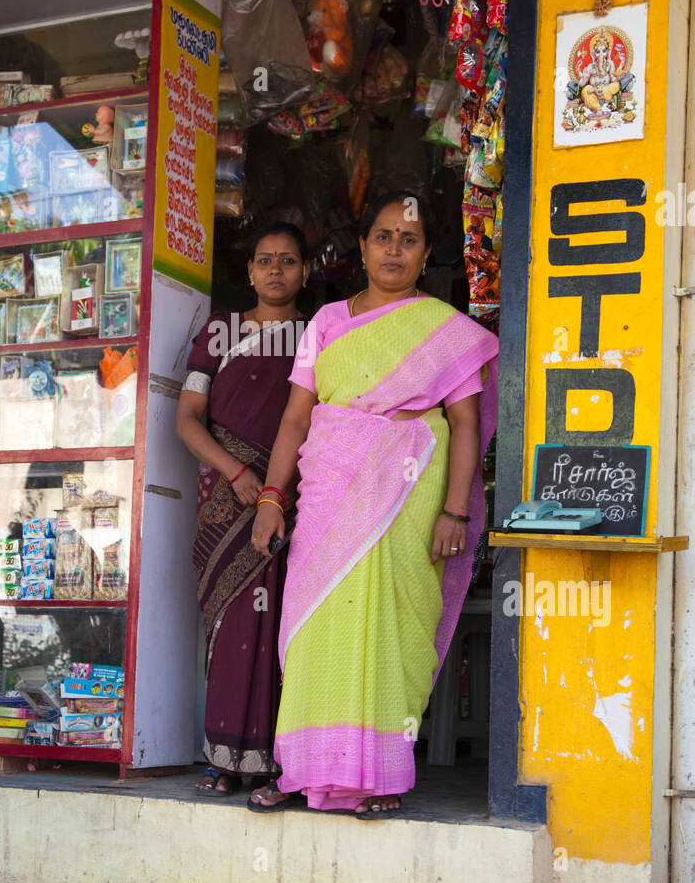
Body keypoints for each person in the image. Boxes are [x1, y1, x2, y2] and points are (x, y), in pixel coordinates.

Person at [248, 191, 498, 817]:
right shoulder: (328, 321)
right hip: (331, 488)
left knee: (393, 627)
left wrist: (456, 512)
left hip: (409, 491)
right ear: (360, 248)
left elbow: (465, 425)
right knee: (311, 630)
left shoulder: (446, 330)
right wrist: (272, 500)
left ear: (426, 253)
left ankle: (378, 777)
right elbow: (294, 419)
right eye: (382, 236)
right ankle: (303, 767)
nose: (394, 249)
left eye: (408, 239)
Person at [176, 223, 309, 795]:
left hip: (294, 496)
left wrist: (275, 487)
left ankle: (279, 760)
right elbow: (186, 419)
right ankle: (222, 753)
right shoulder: (220, 332)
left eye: (287, 260)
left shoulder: (319, 335)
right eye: (264, 260)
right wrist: (236, 472)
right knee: (231, 620)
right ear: (249, 271)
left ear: (306, 271)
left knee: (283, 621)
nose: (275, 270)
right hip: (226, 499)